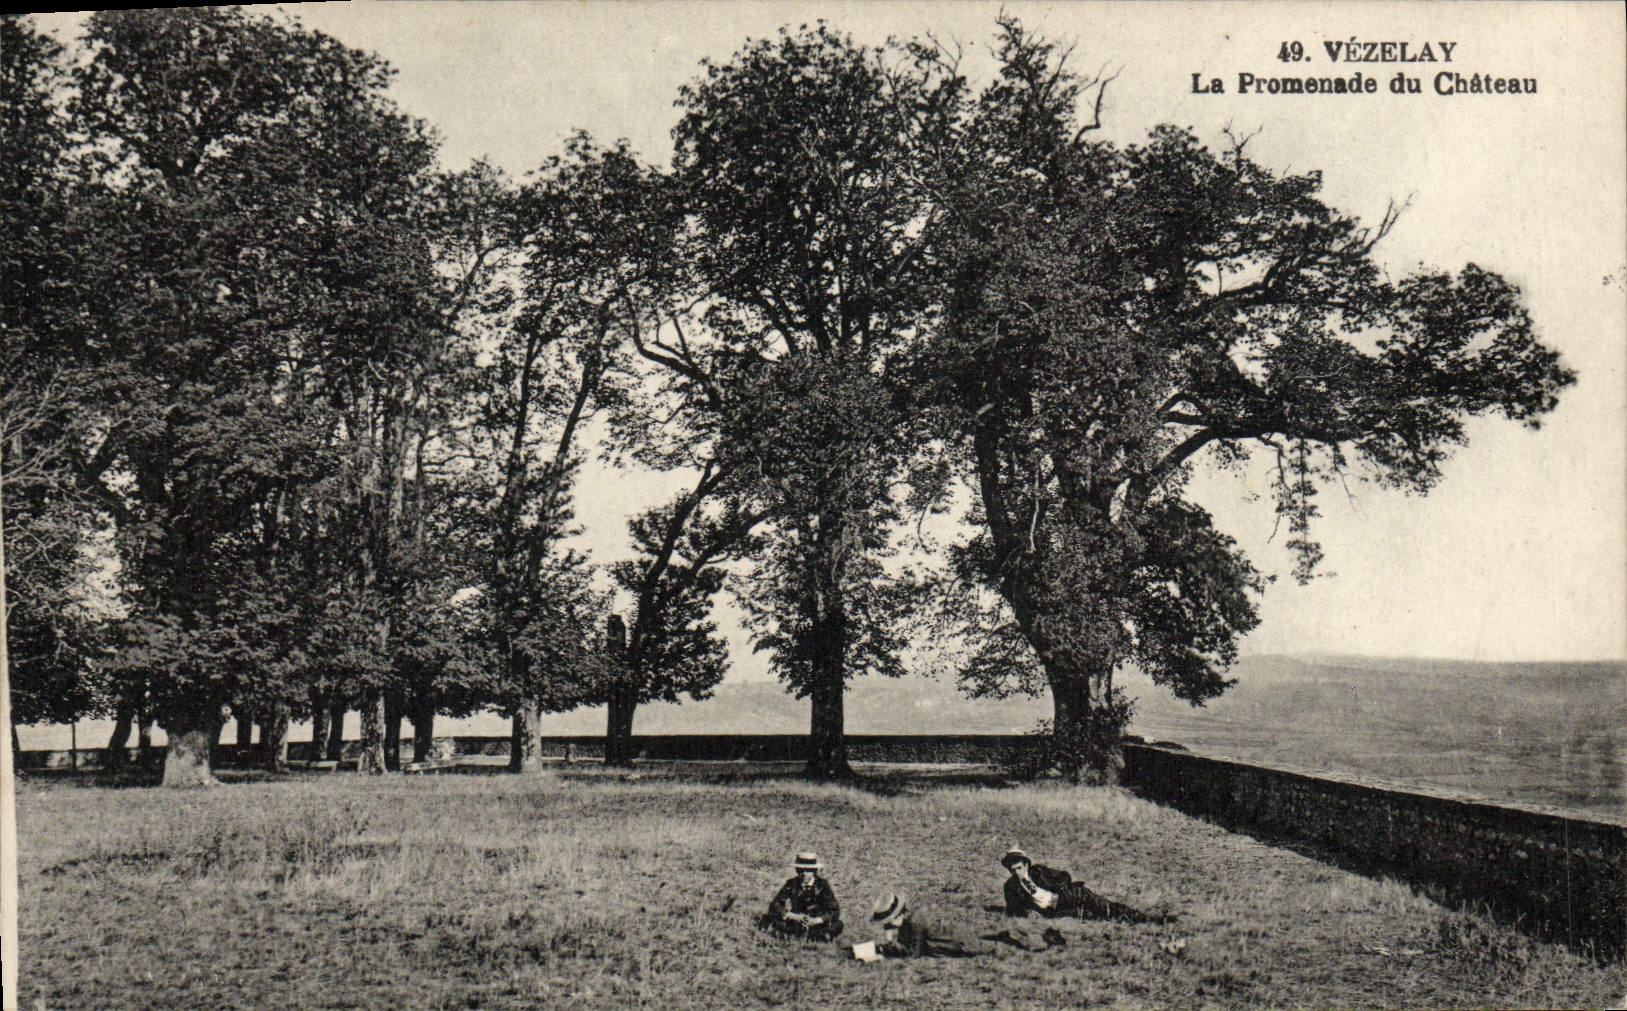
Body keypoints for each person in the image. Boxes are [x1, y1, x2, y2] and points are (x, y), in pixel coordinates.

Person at [1001, 847, 1173, 924]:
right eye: (1012, 870)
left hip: (1069, 896)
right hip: (1054, 912)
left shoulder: (1038, 871)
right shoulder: (1011, 887)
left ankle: (1145, 918)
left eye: (1019, 868)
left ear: (1026, 864)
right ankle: (1129, 921)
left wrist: (1061, 892)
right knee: (1091, 916)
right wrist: (1029, 913)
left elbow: (1064, 876)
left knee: (1105, 906)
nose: (1017, 873)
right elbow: (1013, 908)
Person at [865, 892, 995, 959]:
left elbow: (912, 955)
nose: (888, 927)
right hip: (957, 938)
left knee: (994, 950)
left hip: (961, 945)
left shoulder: (915, 922)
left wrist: (890, 942)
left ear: (895, 918)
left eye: (888, 923)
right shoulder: (910, 917)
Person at [758, 852, 844, 941]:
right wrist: (793, 916)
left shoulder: (822, 885)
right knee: (767, 918)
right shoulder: (791, 883)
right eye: (801, 870)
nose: (804, 874)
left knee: (837, 924)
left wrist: (816, 920)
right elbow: (775, 905)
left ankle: (815, 936)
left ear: (814, 871)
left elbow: (834, 910)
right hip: (796, 920)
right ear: (796, 870)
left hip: (816, 922)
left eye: (808, 870)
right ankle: (798, 935)